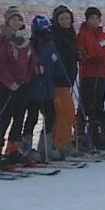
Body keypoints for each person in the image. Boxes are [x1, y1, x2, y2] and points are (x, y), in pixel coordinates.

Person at [0, 6, 39, 167]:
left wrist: (36, 68)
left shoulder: (25, 40)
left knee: (19, 116)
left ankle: (13, 149)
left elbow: (31, 58)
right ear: (7, 21)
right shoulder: (1, 40)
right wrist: (10, 82)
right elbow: (1, 65)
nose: (16, 22)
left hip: (23, 83)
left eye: (19, 19)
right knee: (5, 117)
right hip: (7, 85)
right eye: (13, 19)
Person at [76, 7, 105, 150]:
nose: (95, 21)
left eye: (97, 18)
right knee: (86, 104)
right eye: (92, 18)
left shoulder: (104, 36)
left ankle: (95, 133)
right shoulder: (82, 35)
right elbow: (80, 52)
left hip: (101, 74)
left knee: (98, 105)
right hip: (88, 74)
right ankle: (80, 134)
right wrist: (89, 58)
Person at [25, 15, 61, 161]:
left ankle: (45, 146)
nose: (45, 34)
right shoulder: (31, 45)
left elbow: (56, 61)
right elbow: (26, 63)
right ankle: (26, 147)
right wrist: (35, 70)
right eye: (42, 32)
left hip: (47, 87)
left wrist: (60, 73)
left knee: (50, 116)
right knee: (32, 118)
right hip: (34, 88)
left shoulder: (50, 44)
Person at [50, 5, 79, 156]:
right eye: (62, 19)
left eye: (67, 18)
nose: (65, 21)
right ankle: (60, 144)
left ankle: (58, 142)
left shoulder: (71, 34)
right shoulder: (55, 36)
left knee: (62, 113)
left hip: (68, 79)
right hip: (59, 80)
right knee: (67, 112)